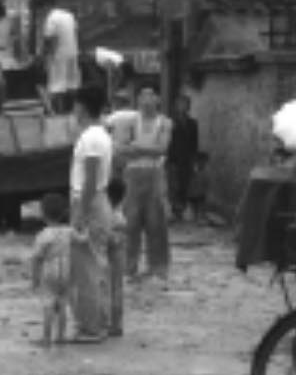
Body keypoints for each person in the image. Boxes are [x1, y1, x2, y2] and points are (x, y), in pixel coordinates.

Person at [68, 86, 120, 339]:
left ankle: (92, 325)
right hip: (96, 201)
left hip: (90, 202)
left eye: (76, 104)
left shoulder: (91, 138)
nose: (73, 110)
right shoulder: (100, 135)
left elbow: (89, 180)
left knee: (87, 266)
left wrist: (80, 213)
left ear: (83, 107)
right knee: (95, 263)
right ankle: (99, 320)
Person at [119, 81, 172, 282]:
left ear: (157, 99)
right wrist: (147, 149)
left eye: (151, 95)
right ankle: (128, 266)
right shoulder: (131, 122)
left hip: (155, 174)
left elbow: (163, 149)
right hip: (133, 175)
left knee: (156, 221)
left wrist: (137, 148)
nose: (146, 100)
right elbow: (122, 148)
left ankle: (158, 267)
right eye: (143, 95)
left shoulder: (165, 122)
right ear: (138, 100)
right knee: (130, 222)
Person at [29, 192, 78, 347]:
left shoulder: (43, 235)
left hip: (50, 272)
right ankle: (61, 336)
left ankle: (46, 337)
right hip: (66, 272)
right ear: (64, 212)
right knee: (63, 304)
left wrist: (35, 279)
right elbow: (82, 240)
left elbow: (36, 258)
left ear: (43, 214)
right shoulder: (69, 231)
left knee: (48, 305)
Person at [165, 90, 204, 223]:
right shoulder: (170, 123)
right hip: (174, 158)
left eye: (186, 104)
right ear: (176, 106)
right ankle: (175, 211)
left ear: (189, 107)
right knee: (173, 184)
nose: (183, 107)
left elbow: (194, 143)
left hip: (187, 159)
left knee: (185, 184)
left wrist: (195, 161)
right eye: (180, 104)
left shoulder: (193, 123)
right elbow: (166, 142)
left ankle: (182, 210)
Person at [42, 3, 80, 114]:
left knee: (56, 85)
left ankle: (58, 111)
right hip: (73, 52)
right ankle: (72, 109)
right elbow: (76, 32)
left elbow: (50, 38)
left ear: (45, 9)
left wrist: (46, 55)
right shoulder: (69, 15)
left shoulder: (51, 17)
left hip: (59, 53)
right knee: (72, 83)